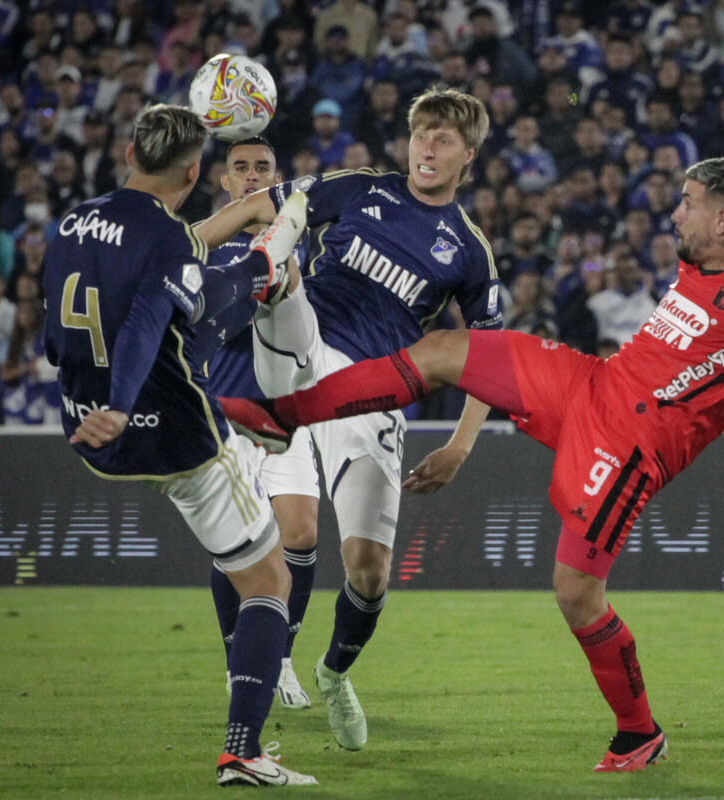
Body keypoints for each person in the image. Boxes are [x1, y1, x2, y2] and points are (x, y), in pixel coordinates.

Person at [226, 157, 724, 771]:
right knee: (445, 350)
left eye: (688, 203)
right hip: (592, 386)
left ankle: (639, 733)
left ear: (723, 220)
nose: (674, 212)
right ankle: (284, 414)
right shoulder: (701, 259)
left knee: (574, 591)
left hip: (632, 447)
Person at [197, 86, 502, 753]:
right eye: (422, 133)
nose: (428, 146)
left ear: (466, 156)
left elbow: (491, 354)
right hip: (302, 350)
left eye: (443, 139)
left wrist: (459, 445)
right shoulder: (361, 187)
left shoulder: (467, 249)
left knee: (367, 570)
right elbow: (261, 204)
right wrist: (190, 247)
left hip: (370, 394)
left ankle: (333, 673)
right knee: (283, 254)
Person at [41, 104, 316, 786]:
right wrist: (120, 404)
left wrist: (88, 399)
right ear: (196, 171)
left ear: (131, 150)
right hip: (170, 433)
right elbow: (142, 324)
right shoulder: (167, 238)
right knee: (268, 577)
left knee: (216, 299)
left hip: (87, 429)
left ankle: (244, 723)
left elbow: (53, 325)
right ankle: (242, 750)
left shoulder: (73, 220)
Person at [201, 137, 320, 712]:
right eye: (240, 169)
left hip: (285, 414)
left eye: (263, 169)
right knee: (243, 548)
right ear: (225, 182)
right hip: (226, 418)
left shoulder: (298, 246)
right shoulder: (201, 247)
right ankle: (239, 665)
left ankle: (281, 659)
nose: (251, 177)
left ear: (277, 179)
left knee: (300, 534)